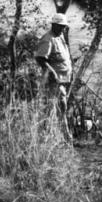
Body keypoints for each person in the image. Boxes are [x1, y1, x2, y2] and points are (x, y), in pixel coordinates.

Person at [34, 13, 73, 141]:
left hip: (63, 80)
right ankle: (62, 138)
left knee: (59, 109)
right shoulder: (48, 38)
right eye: (61, 26)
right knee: (59, 108)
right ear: (54, 25)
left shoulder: (59, 36)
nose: (63, 28)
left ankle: (55, 137)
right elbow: (40, 58)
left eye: (64, 26)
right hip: (55, 82)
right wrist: (53, 73)